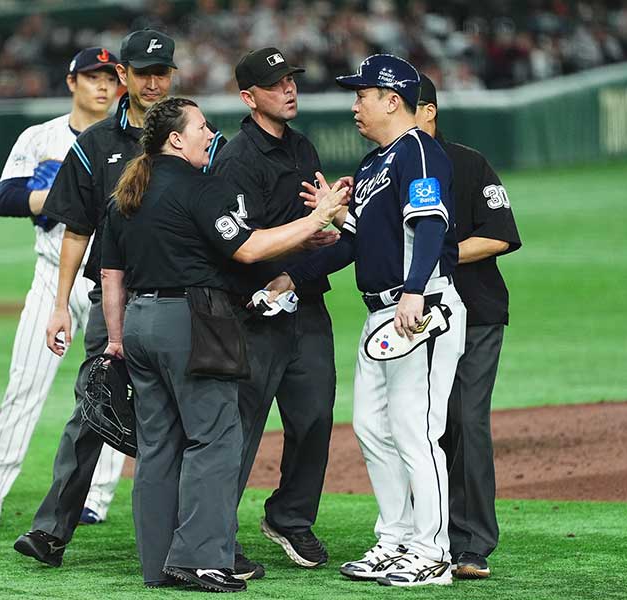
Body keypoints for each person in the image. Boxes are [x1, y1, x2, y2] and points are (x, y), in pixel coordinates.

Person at [100, 96, 348, 591]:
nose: (210, 134)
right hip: (190, 323)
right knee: (215, 439)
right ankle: (200, 558)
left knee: (157, 449)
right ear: (175, 138)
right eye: (201, 127)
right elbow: (249, 247)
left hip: (140, 323)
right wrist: (319, 215)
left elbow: (112, 274)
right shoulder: (199, 187)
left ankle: (158, 566)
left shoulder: (128, 192)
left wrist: (116, 338)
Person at [13, 29, 226, 567]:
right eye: (143, 72)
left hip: (180, 301)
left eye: (163, 73)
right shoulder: (95, 144)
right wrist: (59, 303)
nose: (154, 82)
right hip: (112, 299)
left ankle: (202, 540)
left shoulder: (200, 139)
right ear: (123, 76)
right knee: (95, 411)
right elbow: (76, 230)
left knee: (187, 419)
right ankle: (51, 530)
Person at [264, 54, 466, 587]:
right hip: (383, 313)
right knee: (375, 431)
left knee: (415, 431)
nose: (354, 104)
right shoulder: (377, 163)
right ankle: (396, 539)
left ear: (392, 100)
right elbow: (352, 244)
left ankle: (433, 551)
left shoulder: (419, 150)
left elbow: (428, 226)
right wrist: (293, 277)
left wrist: (416, 290)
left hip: (417, 309)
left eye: (362, 94)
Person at [0, 47, 126, 528]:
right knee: (25, 381)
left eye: (110, 77)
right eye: (92, 77)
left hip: (113, 280)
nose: (102, 86)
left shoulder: (129, 140)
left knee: (110, 388)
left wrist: (58, 197)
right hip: (52, 275)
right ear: (72, 82)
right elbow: (5, 198)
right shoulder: (40, 137)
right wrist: (54, 195)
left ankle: (96, 498)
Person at [211, 47, 340, 577]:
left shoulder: (302, 146)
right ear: (249, 97)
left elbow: (318, 227)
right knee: (239, 427)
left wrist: (324, 229)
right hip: (255, 310)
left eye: (291, 79)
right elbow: (240, 244)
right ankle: (214, 534)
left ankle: (289, 516)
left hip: (306, 305)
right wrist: (307, 237)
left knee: (315, 416)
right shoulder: (236, 159)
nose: (289, 89)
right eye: (275, 83)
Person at [415, 73, 522, 580]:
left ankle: (472, 541)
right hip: (414, 319)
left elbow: (499, 235)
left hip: (476, 312)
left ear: (427, 111)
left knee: (465, 418)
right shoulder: (390, 167)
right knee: (418, 424)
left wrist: (441, 254)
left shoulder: (467, 162)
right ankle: (426, 533)